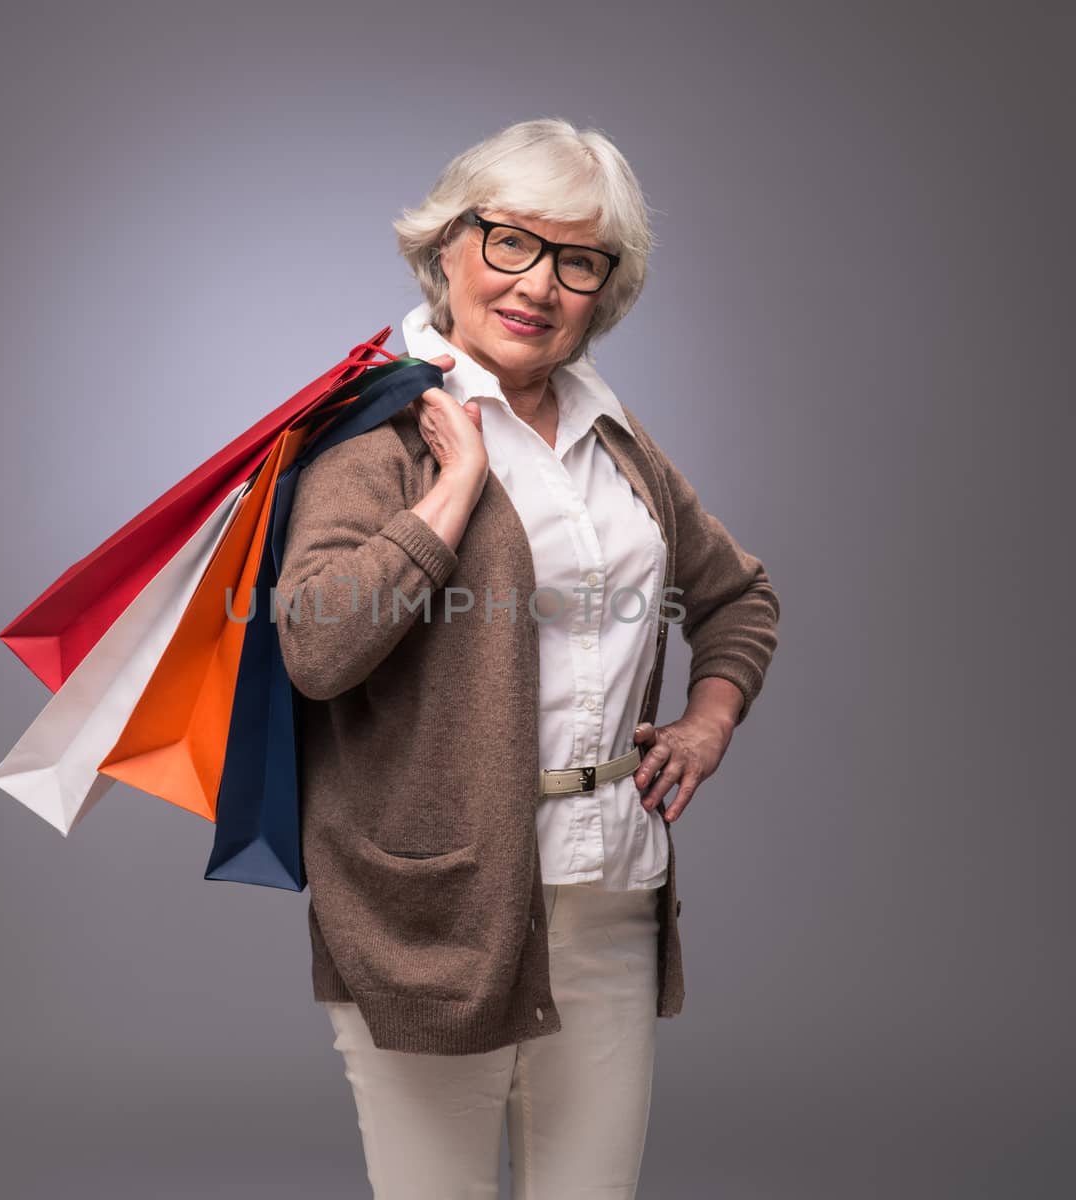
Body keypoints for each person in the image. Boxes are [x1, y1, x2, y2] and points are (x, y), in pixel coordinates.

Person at [273, 117, 781, 1199]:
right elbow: (316, 646)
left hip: (608, 900)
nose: (538, 284)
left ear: (607, 288)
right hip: (433, 917)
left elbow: (737, 596)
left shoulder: (615, 437)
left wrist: (708, 720)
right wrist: (451, 495)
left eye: (577, 259)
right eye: (510, 241)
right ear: (447, 247)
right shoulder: (374, 434)